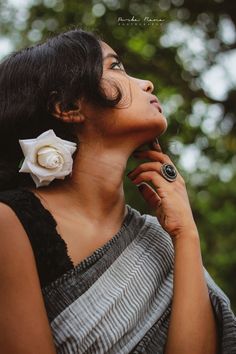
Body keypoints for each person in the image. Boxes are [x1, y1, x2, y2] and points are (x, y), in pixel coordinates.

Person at [0, 28, 235, 354]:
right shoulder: (11, 225)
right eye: (116, 67)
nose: (147, 84)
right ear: (68, 106)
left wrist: (186, 234)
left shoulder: (159, 234)